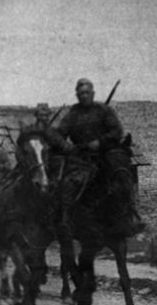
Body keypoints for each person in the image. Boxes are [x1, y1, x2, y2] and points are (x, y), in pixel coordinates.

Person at [54, 77, 141, 238]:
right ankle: (65, 221)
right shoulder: (72, 115)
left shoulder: (104, 111)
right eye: (81, 93)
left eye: (87, 92)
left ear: (93, 93)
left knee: (121, 176)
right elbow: (58, 135)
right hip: (81, 158)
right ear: (77, 95)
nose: (84, 96)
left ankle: (131, 218)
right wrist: (67, 147)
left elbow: (117, 131)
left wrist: (100, 142)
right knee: (68, 184)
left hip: (104, 154)